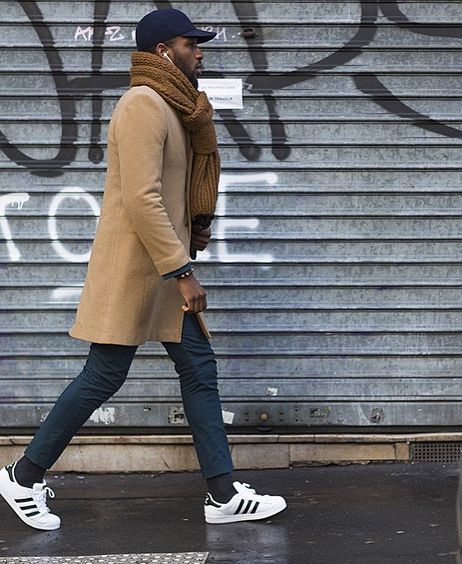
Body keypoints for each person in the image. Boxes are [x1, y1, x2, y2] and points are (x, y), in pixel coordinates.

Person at [0, 8, 286, 530]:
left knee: (198, 369)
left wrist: (187, 245)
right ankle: (22, 475)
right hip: (140, 271)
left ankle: (222, 494)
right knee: (103, 376)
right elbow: (141, 197)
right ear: (162, 51)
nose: (200, 51)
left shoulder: (178, 107)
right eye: (190, 43)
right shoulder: (142, 105)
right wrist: (182, 271)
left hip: (161, 273)